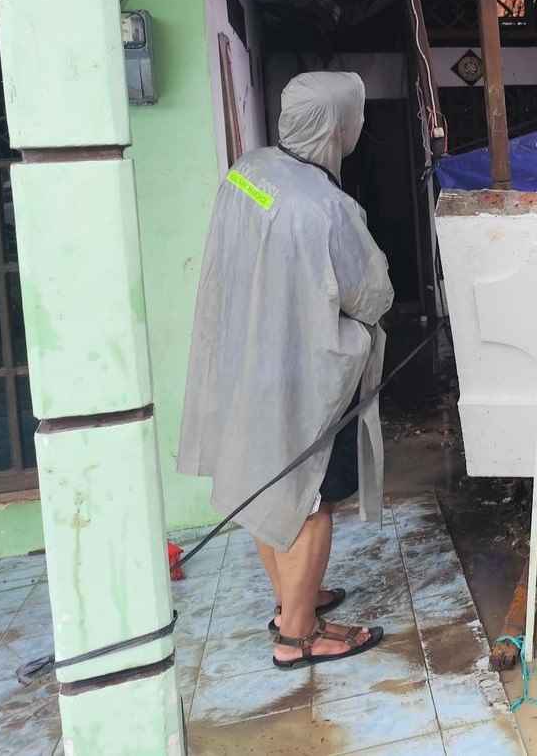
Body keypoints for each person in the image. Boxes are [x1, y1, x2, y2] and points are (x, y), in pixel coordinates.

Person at [179, 72, 394, 669]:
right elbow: (370, 295)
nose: (358, 126)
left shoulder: (248, 174)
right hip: (303, 376)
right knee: (309, 497)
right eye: (354, 117)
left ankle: (290, 598)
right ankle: (299, 635)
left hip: (246, 361)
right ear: (336, 126)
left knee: (264, 485)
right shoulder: (326, 206)